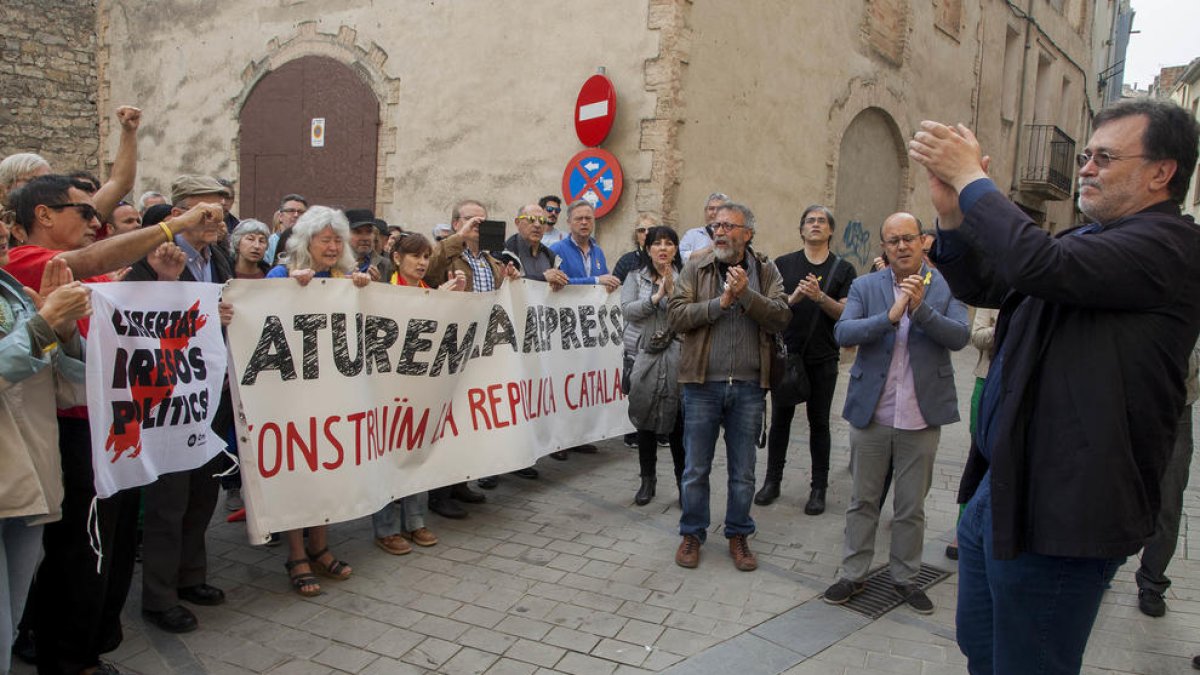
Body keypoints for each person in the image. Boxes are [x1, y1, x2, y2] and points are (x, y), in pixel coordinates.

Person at [908, 98, 1200, 673]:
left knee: (1031, 664)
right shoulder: (1091, 240)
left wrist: (973, 178)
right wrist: (951, 216)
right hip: (1005, 490)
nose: (1086, 167)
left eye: (1104, 157)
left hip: (1068, 513)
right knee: (983, 651)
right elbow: (996, 283)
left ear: (1161, 173)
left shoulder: (1170, 246)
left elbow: (1036, 265)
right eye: (1086, 155)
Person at [6, 173, 220, 675]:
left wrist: (161, 282)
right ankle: (68, 656)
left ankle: (91, 642)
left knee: (114, 545)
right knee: (82, 552)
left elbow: (125, 316)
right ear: (43, 215)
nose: (95, 222)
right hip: (76, 429)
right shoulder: (26, 263)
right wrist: (175, 228)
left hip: (116, 423)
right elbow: (90, 269)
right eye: (85, 213)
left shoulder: (86, 268)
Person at [821, 212, 968, 614]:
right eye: (892, 241)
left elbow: (960, 336)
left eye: (908, 238)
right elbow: (843, 333)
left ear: (924, 242)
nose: (901, 246)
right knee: (862, 501)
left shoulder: (944, 286)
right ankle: (853, 572)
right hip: (873, 413)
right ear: (883, 247)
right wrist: (888, 318)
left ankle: (905, 578)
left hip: (921, 416)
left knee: (910, 506)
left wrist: (921, 311)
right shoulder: (866, 285)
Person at [124, 175, 233, 635]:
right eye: (206, 212)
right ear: (178, 214)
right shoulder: (149, 261)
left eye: (222, 211)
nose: (217, 220)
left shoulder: (219, 258)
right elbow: (134, 321)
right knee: (169, 500)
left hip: (211, 394)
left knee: (204, 493)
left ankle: (192, 576)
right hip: (168, 398)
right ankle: (159, 596)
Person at [668, 201, 790, 572]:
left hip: (750, 387)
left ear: (747, 233)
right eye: (716, 226)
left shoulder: (766, 270)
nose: (719, 232)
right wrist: (720, 303)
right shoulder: (695, 267)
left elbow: (782, 316)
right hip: (702, 384)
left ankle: (738, 533)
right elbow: (676, 317)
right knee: (695, 468)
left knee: (743, 471)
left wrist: (746, 296)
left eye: (728, 226)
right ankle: (692, 533)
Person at [0, 220, 90, 675]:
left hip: (28, 479)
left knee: (11, 616)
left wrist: (66, 330)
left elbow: (68, 386)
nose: (1, 231)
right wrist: (43, 324)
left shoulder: (13, 294)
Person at [265, 206, 369, 596]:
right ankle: (296, 555)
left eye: (337, 239)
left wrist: (364, 291)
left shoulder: (344, 278)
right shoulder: (280, 275)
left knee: (327, 468)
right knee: (299, 470)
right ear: (305, 241)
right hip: (293, 392)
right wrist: (286, 290)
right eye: (324, 239)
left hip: (333, 391)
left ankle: (320, 546)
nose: (332, 246)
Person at [423, 199, 522, 514]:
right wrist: (458, 238)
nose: (478, 226)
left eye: (483, 221)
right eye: (471, 220)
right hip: (451, 348)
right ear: (456, 223)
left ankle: (460, 482)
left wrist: (511, 279)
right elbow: (429, 269)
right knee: (446, 420)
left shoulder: (491, 260)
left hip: (482, 351)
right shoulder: (448, 253)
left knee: (465, 421)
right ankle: (439, 495)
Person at [756, 205, 856, 514]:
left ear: (830, 230)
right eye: (810, 221)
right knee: (781, 421)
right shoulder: (783, 264)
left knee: (819, 423)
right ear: (801, 230)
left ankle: (818, 489)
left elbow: (847, 312)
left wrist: (820, 297)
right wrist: (794, 299)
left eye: (821, 221)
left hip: (823, 357)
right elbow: (771, 307)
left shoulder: (843, 269)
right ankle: (772, 481)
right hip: (788, 354)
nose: (815, 225)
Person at [371, 232, 464, 555]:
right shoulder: (382, 292)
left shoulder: (430, 293)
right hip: (387, 390)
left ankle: (415, 520)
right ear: (397, 259)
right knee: (388, 457)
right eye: (416, 256)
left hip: (424, 390)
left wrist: (451, 302)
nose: (423, 263)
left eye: (426, 257)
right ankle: (386, 527)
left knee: (419, 454)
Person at [621, 226, 685, 505]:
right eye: (657, 244)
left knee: (678, 424)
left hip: (678, 357)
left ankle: (685, 483)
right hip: (642, 355)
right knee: (645, 421)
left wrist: (671, 293)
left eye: (669, 244)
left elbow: (687, 316)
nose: (663, 248)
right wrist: (655, 298)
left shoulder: (687, 278)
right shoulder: (635, 277)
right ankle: (648, 480)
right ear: (648, 250)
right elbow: (627, 310)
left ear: (675, 250)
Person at [1136, 341, 1199, 617]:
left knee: (1169, 499)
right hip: (1129, 400)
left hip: (1179, 406)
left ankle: (1152, 580)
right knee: (1109, 490)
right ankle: (1097, 563)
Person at [678, 192, 729, 261]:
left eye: (720, 209)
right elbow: (680, 257)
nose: (715, 212)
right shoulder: (692, 235)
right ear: (705, 212)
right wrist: (708, 250)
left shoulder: (733, 234)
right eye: (711, 208)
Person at [611, 213, 658, 283]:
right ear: (636, 237)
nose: (646, 233)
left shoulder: (665, 258)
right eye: (641, 230)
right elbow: (614, 290)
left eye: (651, 229)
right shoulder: (625, 261)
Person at [264, 193, 308, 264]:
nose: (296, 215)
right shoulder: (270, 243)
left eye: (300, 212)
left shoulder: (312, 241)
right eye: (291, 211)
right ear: (281, 217)